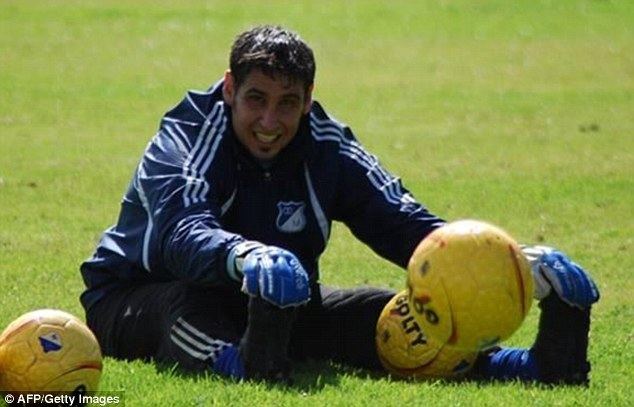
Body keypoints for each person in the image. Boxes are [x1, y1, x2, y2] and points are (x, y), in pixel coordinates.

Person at [80, 25, 599, 384]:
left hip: (277, 301)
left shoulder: (326, 145)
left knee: (386, 312)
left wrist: (508, 261)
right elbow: (180, 235)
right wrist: (243, 256)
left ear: (307, 98)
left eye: (288, 103)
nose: (270, 121)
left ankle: (523, 365)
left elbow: (404, 225)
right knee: (188, 310)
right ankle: (245, 364)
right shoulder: (186, 135)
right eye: (256, 98)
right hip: (135, 296)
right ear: (230, 88)